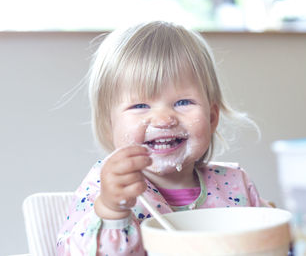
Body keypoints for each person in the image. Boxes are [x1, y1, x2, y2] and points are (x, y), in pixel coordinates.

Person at [56, 21, 272, 255]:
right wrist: (111, 213)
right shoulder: (107, 190)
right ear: (110, 125)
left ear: (211, 118)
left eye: (183, 102)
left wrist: (272, 225)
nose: (163, 119)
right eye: (140, 105)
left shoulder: (235, 184)